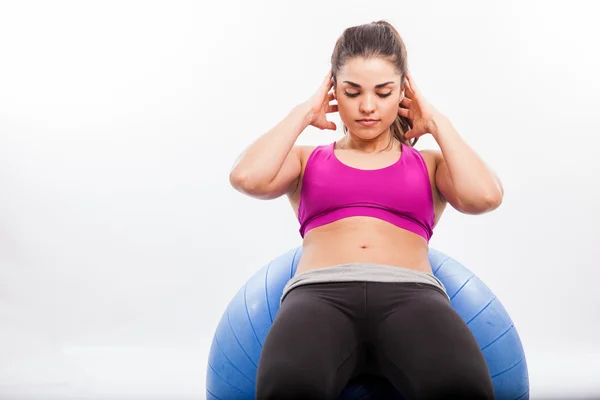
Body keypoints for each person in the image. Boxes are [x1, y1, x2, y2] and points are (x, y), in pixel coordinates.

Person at [229, 20, 502, 400]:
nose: (368, 106)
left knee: (463, 391)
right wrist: (303, 113)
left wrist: (437, 122)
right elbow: (247, 177)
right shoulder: (307, 160)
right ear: (333, 92)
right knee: (288, 391)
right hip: (318, 297)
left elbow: (485, 197)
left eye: (384, 92)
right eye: (352, 91)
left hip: (413, 296)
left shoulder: (430, 164)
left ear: (404, 92)